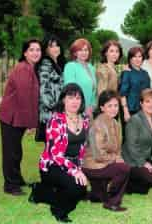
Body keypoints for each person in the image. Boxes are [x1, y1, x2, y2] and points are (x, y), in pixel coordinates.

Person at [28, 83, 89, 223]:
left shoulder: (84, 119)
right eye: (70, 97)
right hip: (52, 165)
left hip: (72, 163)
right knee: (76, 188)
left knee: (81, 190)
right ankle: (58, 209)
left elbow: (81, 148)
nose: (75, 101)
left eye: (78, 98)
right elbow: (55, 154)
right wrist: (75, 171)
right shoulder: (55, 121)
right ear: (63, 100)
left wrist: (78, 168)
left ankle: (40, 191)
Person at [0, 39, 41, 196]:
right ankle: (10, 185)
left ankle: (16, 179)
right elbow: (23, 98)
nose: (36, 52)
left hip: (18, 116)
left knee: (16, 150)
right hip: (11, 117)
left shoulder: (30, 68)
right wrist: (31, 124)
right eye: (32, 50)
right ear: (25, 53)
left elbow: (31, 97)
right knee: (11, 151)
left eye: (38, 50)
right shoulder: (23, 69)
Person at [82, 90, 130, 212]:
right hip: (92, 165)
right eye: (109, 106)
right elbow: (98, 154)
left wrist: (118, 157)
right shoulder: (97, 125)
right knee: (124, 168)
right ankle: (113, 203)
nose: (114, 109)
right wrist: (116, 160)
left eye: (116, 105)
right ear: (102, 107)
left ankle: (96, 194)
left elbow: (118, 148)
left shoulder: (116, 123)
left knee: (99, 197)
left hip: (104, 163)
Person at [36, 35, 65, 142]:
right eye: (51, 46)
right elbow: (44, 89)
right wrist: (55, 107)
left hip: (59, 113)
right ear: (46, 49)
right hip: (50, 115)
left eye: (57, 45)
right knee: (53, 148)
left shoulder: (58, 64)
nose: (56, 48)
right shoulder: (45, 64)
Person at [64, 38, 97, 116]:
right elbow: (70, 90)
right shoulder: (70, 66)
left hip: (89, 111)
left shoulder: (91, 67)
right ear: (75, 53)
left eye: (86, 50)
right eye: (80, 50)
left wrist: (92, 106)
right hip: (75, 110)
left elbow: (94, 89)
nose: (84, 52)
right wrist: (81, 107)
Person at [119, 46, 150, 122]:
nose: (137, 59)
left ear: (143, 58)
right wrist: (125, 111)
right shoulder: (127, 72)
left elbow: (148, 93)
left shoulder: (145, 74)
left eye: (139, 56)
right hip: (130, 110)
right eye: (134, 56)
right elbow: (123, 94)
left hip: (143, 110)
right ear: (130, 59)